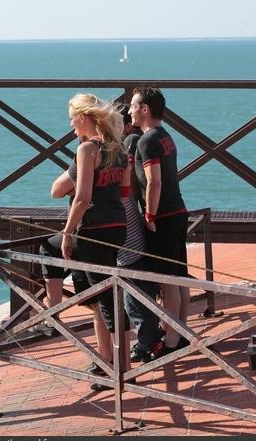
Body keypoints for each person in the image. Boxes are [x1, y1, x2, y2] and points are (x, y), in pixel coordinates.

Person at [39, 93, 129, 390]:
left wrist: (68, 232)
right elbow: (126, 191)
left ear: (83, 118)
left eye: (71, 119)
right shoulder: (118, 148)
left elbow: (82, 197)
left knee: (104, 296)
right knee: (104, 293)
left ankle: (52, 312)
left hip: (94, 228)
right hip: (117, 226)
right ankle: (111, 360)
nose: (70, 125)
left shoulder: (88, 149)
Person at [128, 87, 191, 361]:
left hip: (163, 217)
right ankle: (180, 328)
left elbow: (154, 181)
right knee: (178, 276)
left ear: (144, 109)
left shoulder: (147, 141)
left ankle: (173, 339)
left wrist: (149, 215)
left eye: (132, 106)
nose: (129, 111)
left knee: (167, 281)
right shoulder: (166, 136)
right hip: (178, 211)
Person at [117, 109, 162, 363]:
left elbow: (141, 181)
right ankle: (152, 337)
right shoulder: (136, 140)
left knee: (132, 284)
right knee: (139, 283)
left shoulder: (130, 143)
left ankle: (148, 341)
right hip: (134, 212)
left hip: (128, 214)